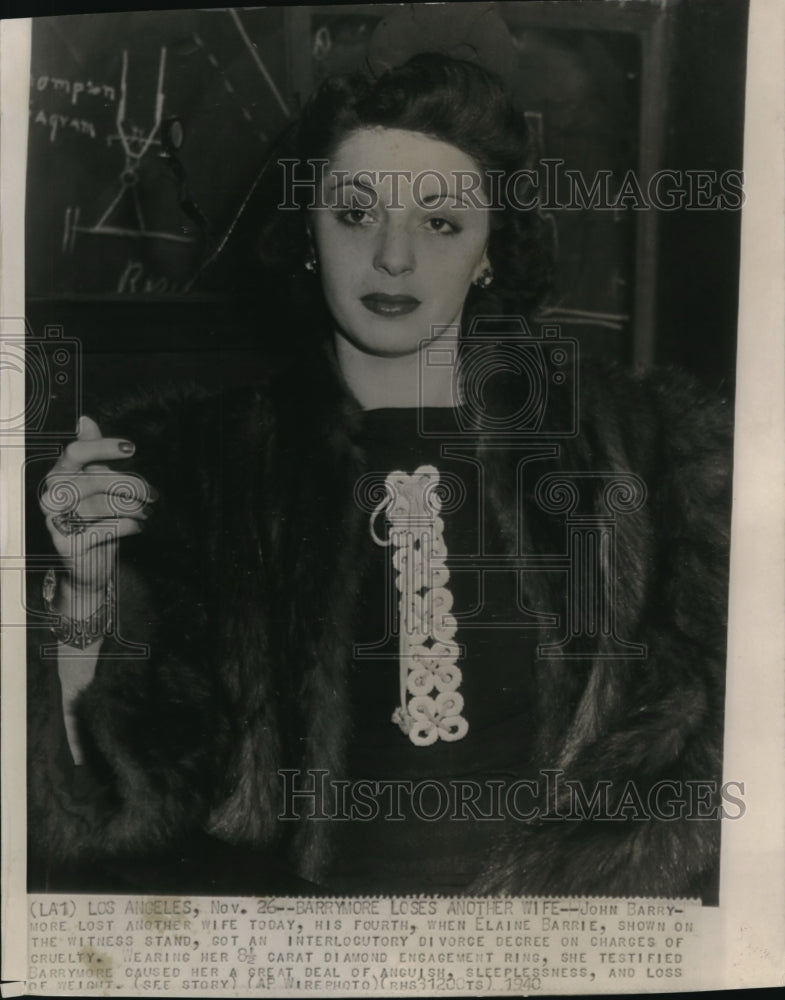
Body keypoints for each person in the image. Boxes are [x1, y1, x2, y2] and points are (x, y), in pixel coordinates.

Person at [28, 53, 731, 899]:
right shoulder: (197, 473)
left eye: (441, 224)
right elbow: (103, 814)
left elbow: (711, 771)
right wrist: (87, 595)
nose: (393, 259)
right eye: (354, 215)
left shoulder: (647, 455)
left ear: (488, 253)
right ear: (305, 237)